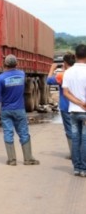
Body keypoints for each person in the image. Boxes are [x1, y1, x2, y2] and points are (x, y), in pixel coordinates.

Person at [0, 54, 40, 166]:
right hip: (19, 109)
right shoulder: (22, 75)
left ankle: (12, 160)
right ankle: (28, 159)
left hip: (6, 110)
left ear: (5, 64)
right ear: (16, 64)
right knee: (23, 133)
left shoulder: (1, 78)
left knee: (8, 133)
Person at [62, 44, 86, 177]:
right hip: (85, 111)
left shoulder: (68, 72)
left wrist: (78, 103)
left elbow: (66, 92)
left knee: (76, 139)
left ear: (75, 56)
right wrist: (84, 104)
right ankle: (84, 168)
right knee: (85, 139)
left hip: (73, 111)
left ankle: (77, 168)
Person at [46, 52, 76, 158]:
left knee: (69, 130)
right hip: (80, 107)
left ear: (65, 63)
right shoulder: (80, 73)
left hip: (66, 107)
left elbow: (49, 81)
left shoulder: (62, 75)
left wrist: (52, 69)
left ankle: (74, 153)